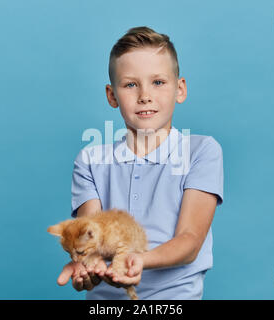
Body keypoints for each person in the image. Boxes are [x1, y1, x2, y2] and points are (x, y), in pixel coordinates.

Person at [56, 26, 224, 299]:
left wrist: (139, 260)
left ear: (180, 89)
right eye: (131, 84)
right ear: (112, 96)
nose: (145, 95)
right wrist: (86, 266)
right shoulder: (90, 161)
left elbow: (190, 241)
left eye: (158, 82)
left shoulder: (201, 151)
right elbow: (90, 236)